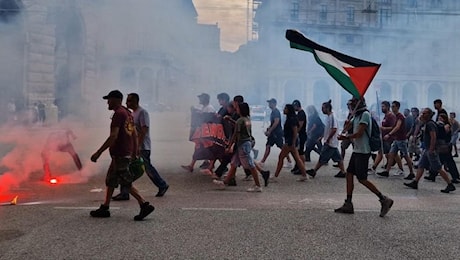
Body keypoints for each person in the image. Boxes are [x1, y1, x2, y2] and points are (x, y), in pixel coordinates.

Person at [90, 90, 155, 220]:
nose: (108, 102)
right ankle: (105, 207)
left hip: (120, 154)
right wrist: (135, 150)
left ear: (117, 100)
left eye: (109, 99)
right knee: (111, 180)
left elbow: (113, 136)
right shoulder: (127, 113)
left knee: (125, 182)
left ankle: (144, 205)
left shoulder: (118, 114)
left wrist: (98, 152)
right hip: (122, 153)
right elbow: (135, 134)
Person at [334, 97, 393, 217]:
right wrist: (347, 125)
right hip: (357, 150)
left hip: (363, 151)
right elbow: (351, 128)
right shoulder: (356, 116)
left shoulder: (365, 115)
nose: (350, 108)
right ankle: (348, 203)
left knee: (362, 179)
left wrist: (345, 137)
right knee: (349, 174)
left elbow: (360, 133)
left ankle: (383, 199)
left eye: (352, 105)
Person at [112, 93, 169, 201]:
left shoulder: (142, 112)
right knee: (126, 170)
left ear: (136, 101)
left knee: (147, 168)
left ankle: (162, 185)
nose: (127, 103)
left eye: (129, 101)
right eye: (127, 101)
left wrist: (137, 146)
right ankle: (124, 192)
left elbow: (144, 130)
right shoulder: (132, 114)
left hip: (143, 147)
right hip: (134, 146)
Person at [213, 102, 269, 191]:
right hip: (246, 143)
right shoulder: (247, 119)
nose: (237, 110)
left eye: (238, 108)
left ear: (241, 110)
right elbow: (241, 127)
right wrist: (231, 120)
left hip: (242, 145)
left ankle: (258, 186)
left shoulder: (240, 120)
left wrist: (229, 146)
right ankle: (225, 182)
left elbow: (236, 134)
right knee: (234, 163)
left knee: (251, 165)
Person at [403, 108, 456, 193]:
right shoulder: (427, 123)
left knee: (438, 168)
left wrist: (431, 149)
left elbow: (433, 136)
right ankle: (415, 182)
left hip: (431, 150)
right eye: (422, 113)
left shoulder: (430, 124)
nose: (422, 115)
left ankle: (450, 184)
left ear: (429, 115)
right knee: (421, 165)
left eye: (424, 113)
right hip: (427, 149)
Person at [306, 100, 346, 178]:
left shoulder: (332, 117)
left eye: (323, 108)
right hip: (332, 142)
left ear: (327, 108)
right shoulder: (329, 117)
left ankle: (314, 171)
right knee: (338, 158)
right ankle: (343, 172)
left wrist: (328, 139)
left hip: (330, 142)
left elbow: (334, 129)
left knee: (323, 156)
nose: (322, 110)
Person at [270, 104, 309, 182]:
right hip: (291, 141)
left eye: (285, 109)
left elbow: (295, 131)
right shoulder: (291, 118)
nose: (284, 110)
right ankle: (304, 175)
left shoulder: (291, 119)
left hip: (290, 142)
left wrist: (293, 142)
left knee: (281, 157)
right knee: (297, 159)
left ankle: (275, 176)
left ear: (289, 110)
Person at [376, 101, 415, 179]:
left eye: (394, 106)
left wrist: (389, 134)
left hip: (401, 140)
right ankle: (387, 171)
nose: (392, 108)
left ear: (397, 107)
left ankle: (411, 173)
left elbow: (397, 127)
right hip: (397, 139)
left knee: (406, 156)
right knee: (391, 154)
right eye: (392, 106)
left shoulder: (400, 116)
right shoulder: (396, 116)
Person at [181, 93, 216, 172]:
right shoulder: (204, 107)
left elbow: (209, 119)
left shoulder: (209, 108)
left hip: (207, 133)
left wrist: (199, 114)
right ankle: (194, 165)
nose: (200, 100)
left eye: (201, 98)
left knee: (208, 149)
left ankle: (211, 166)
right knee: (200, 148)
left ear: (205, 99)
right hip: (203, 133)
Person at [368, 101, 403, 175]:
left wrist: (384, 129)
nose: (382, 108)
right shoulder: (386, 116)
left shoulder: (391, 116)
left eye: (383, 106)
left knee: (393, 154)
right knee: (383, 153)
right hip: (384, 138)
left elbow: (393, 127)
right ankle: (374, 168)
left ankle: (399, 169)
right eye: (381, 107)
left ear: (387, 107)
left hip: (389, 138)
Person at [259, 98, 292, 167]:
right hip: (274, 133)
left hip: (276, 133)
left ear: (274, 104)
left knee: (282, 147)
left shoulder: (276, 112)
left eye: (270, 103)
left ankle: (289, 161)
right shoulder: (273, 112)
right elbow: (273, 122)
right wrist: (269, 128)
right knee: (268, 146)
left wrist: (270, 130)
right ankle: (262, 161)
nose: (269, 104)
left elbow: (276, 122)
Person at [291, 100, 307, 175]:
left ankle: (302, 168)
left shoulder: (301, 114)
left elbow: (300, 125)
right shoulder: (299, 113)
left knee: (300, 152)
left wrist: (295, 133)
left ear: (296, 106)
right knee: (297, 152)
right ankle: (298, 166)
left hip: (301, 135)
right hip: (300, 135)